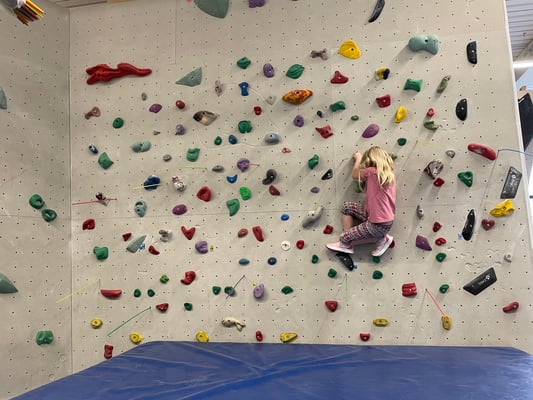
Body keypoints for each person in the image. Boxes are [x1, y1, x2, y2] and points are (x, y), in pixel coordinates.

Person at [327, 146, 396, 256]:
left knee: (344, 237)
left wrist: (358, 158)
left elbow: (355, 174)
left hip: (377, 224)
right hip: (380, 219)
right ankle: (381, 238)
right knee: (347, 207)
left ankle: (346, 243)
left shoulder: (371, 172)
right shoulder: (389, 175)